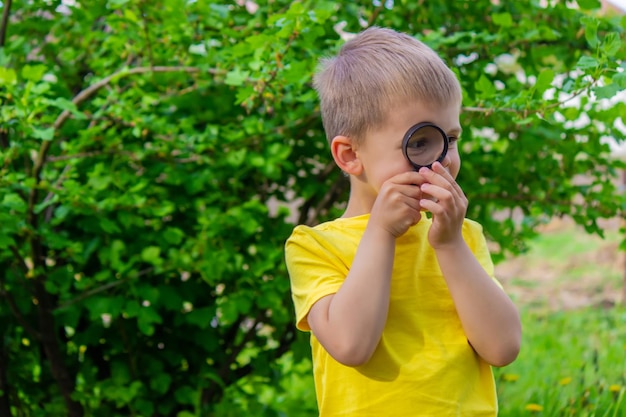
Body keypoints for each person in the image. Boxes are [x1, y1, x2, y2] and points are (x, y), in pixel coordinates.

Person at [284, 26, 522, 416]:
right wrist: (380, 231)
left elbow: (503, 347)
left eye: (452, 138)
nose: (443, 158)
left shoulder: (460, 237)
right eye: (419, 142)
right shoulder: (315, 246)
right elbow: (351, 345)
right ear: (349, 156)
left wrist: (449, 245)